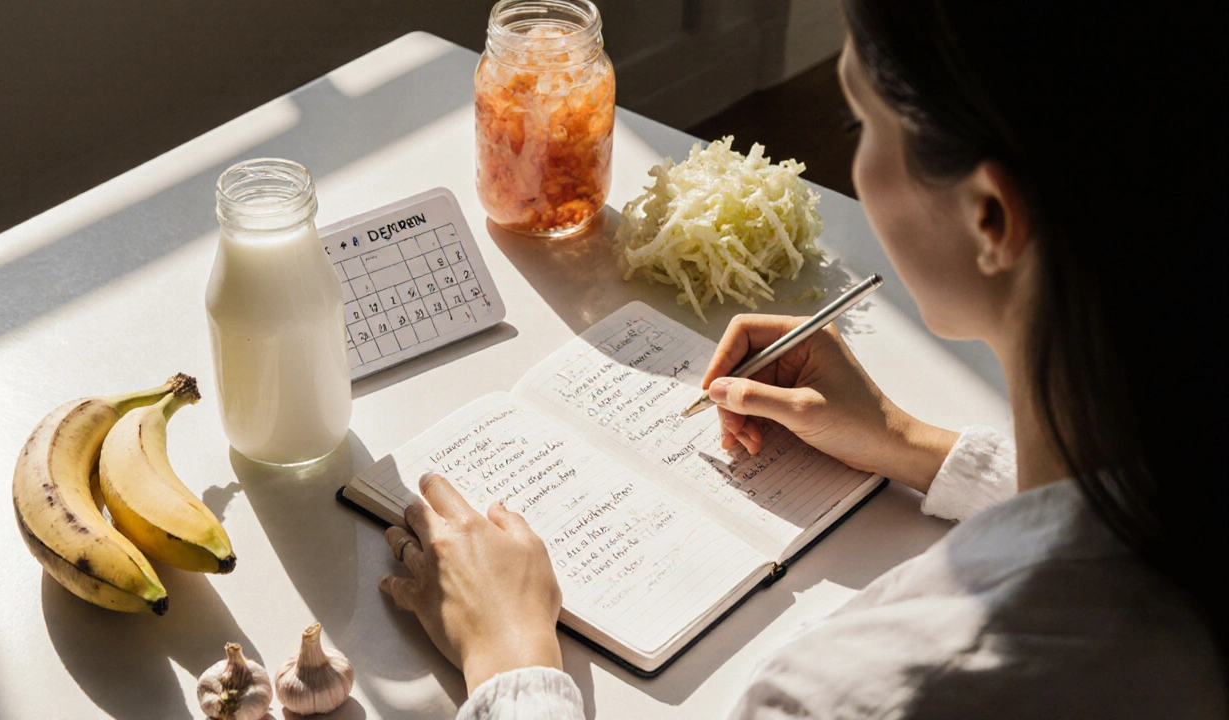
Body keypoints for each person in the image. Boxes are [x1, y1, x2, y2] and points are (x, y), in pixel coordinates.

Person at [377, 2, 1228, 717]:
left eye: (861, 121)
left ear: (991, 220)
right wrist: (914, 444)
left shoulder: (862, 690)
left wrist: (513, 662)